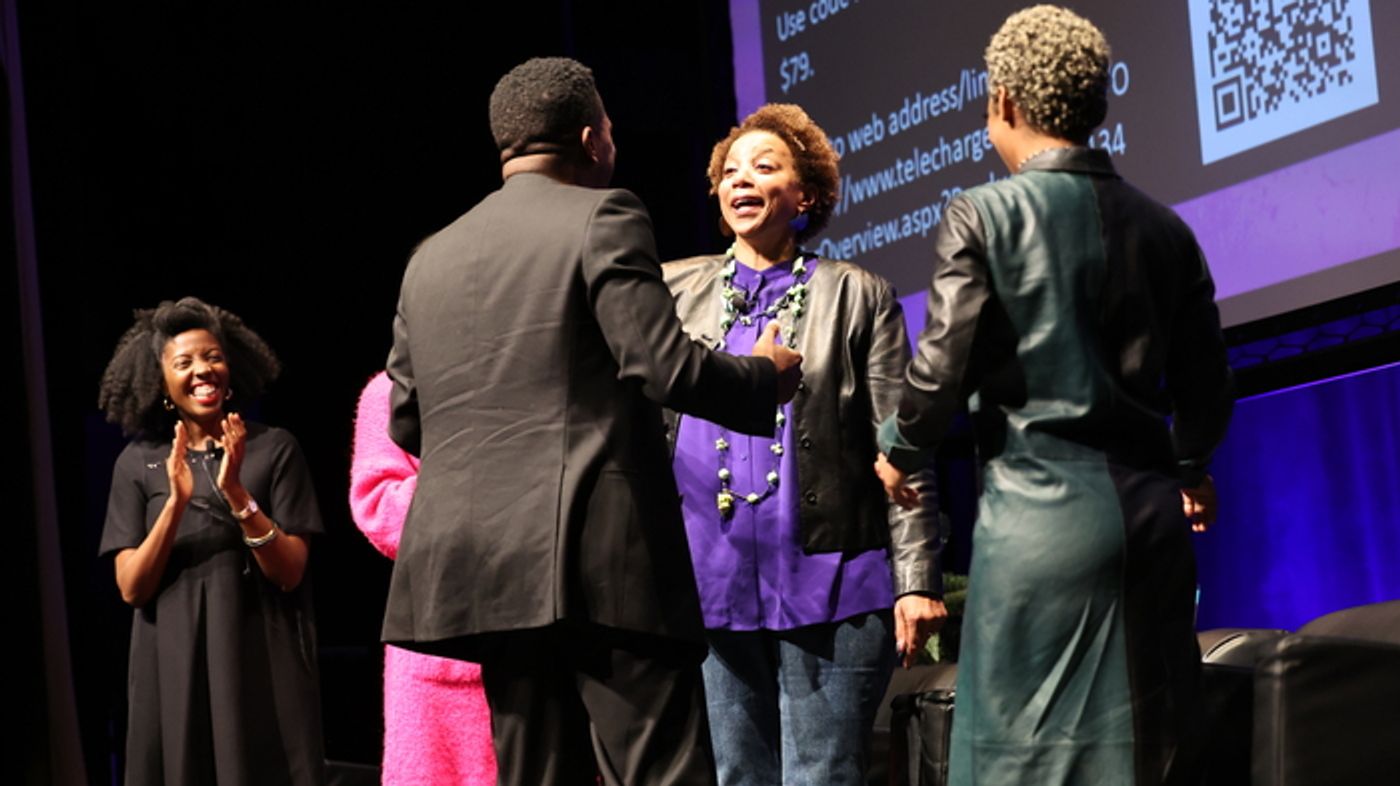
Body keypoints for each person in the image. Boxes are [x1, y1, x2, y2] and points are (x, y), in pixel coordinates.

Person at [380, 57, 802, 786]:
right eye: (609, 127)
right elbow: (661, 366)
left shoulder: (431, 259)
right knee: (660, 772)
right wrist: (764, 375)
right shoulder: (604, 214)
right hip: (604, 560)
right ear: (589, 136)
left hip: (485, 573)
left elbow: (408, 422)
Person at [875, 6, 1234, 785]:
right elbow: (1208, 389)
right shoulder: (1169, 230)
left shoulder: (983, 212)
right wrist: (1190, 466)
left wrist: (898, 450)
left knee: (1022, 766)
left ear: (1003, 101)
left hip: (1038, 530)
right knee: (1151, 755)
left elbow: (941, 370)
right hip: (1149, 529)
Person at [662, 103, 947, 785]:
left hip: (833, 581)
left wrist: (916, 580)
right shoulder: (673, 290)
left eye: (764, 167)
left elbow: (899, 444)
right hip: (712, 580)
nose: (741, 180)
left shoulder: (857, 294)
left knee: (823, 776)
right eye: (730, 171)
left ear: (807, 195)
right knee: (736, 775)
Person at [97, 296, 325, 785]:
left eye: (213, 357)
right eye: (184, 362)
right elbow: (132, 588)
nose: (203, 370)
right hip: (172, 669)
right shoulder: (138, 464)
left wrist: (237, 493)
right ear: (160, 382)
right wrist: (175, 503)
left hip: (259, 663)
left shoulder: (274, 449)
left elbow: (289, 572)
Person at [349, 371, 497, 785]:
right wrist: (477, 473)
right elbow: (379, 510)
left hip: (537, 636)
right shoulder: (392, 390)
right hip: (439, 651)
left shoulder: (527, 376)